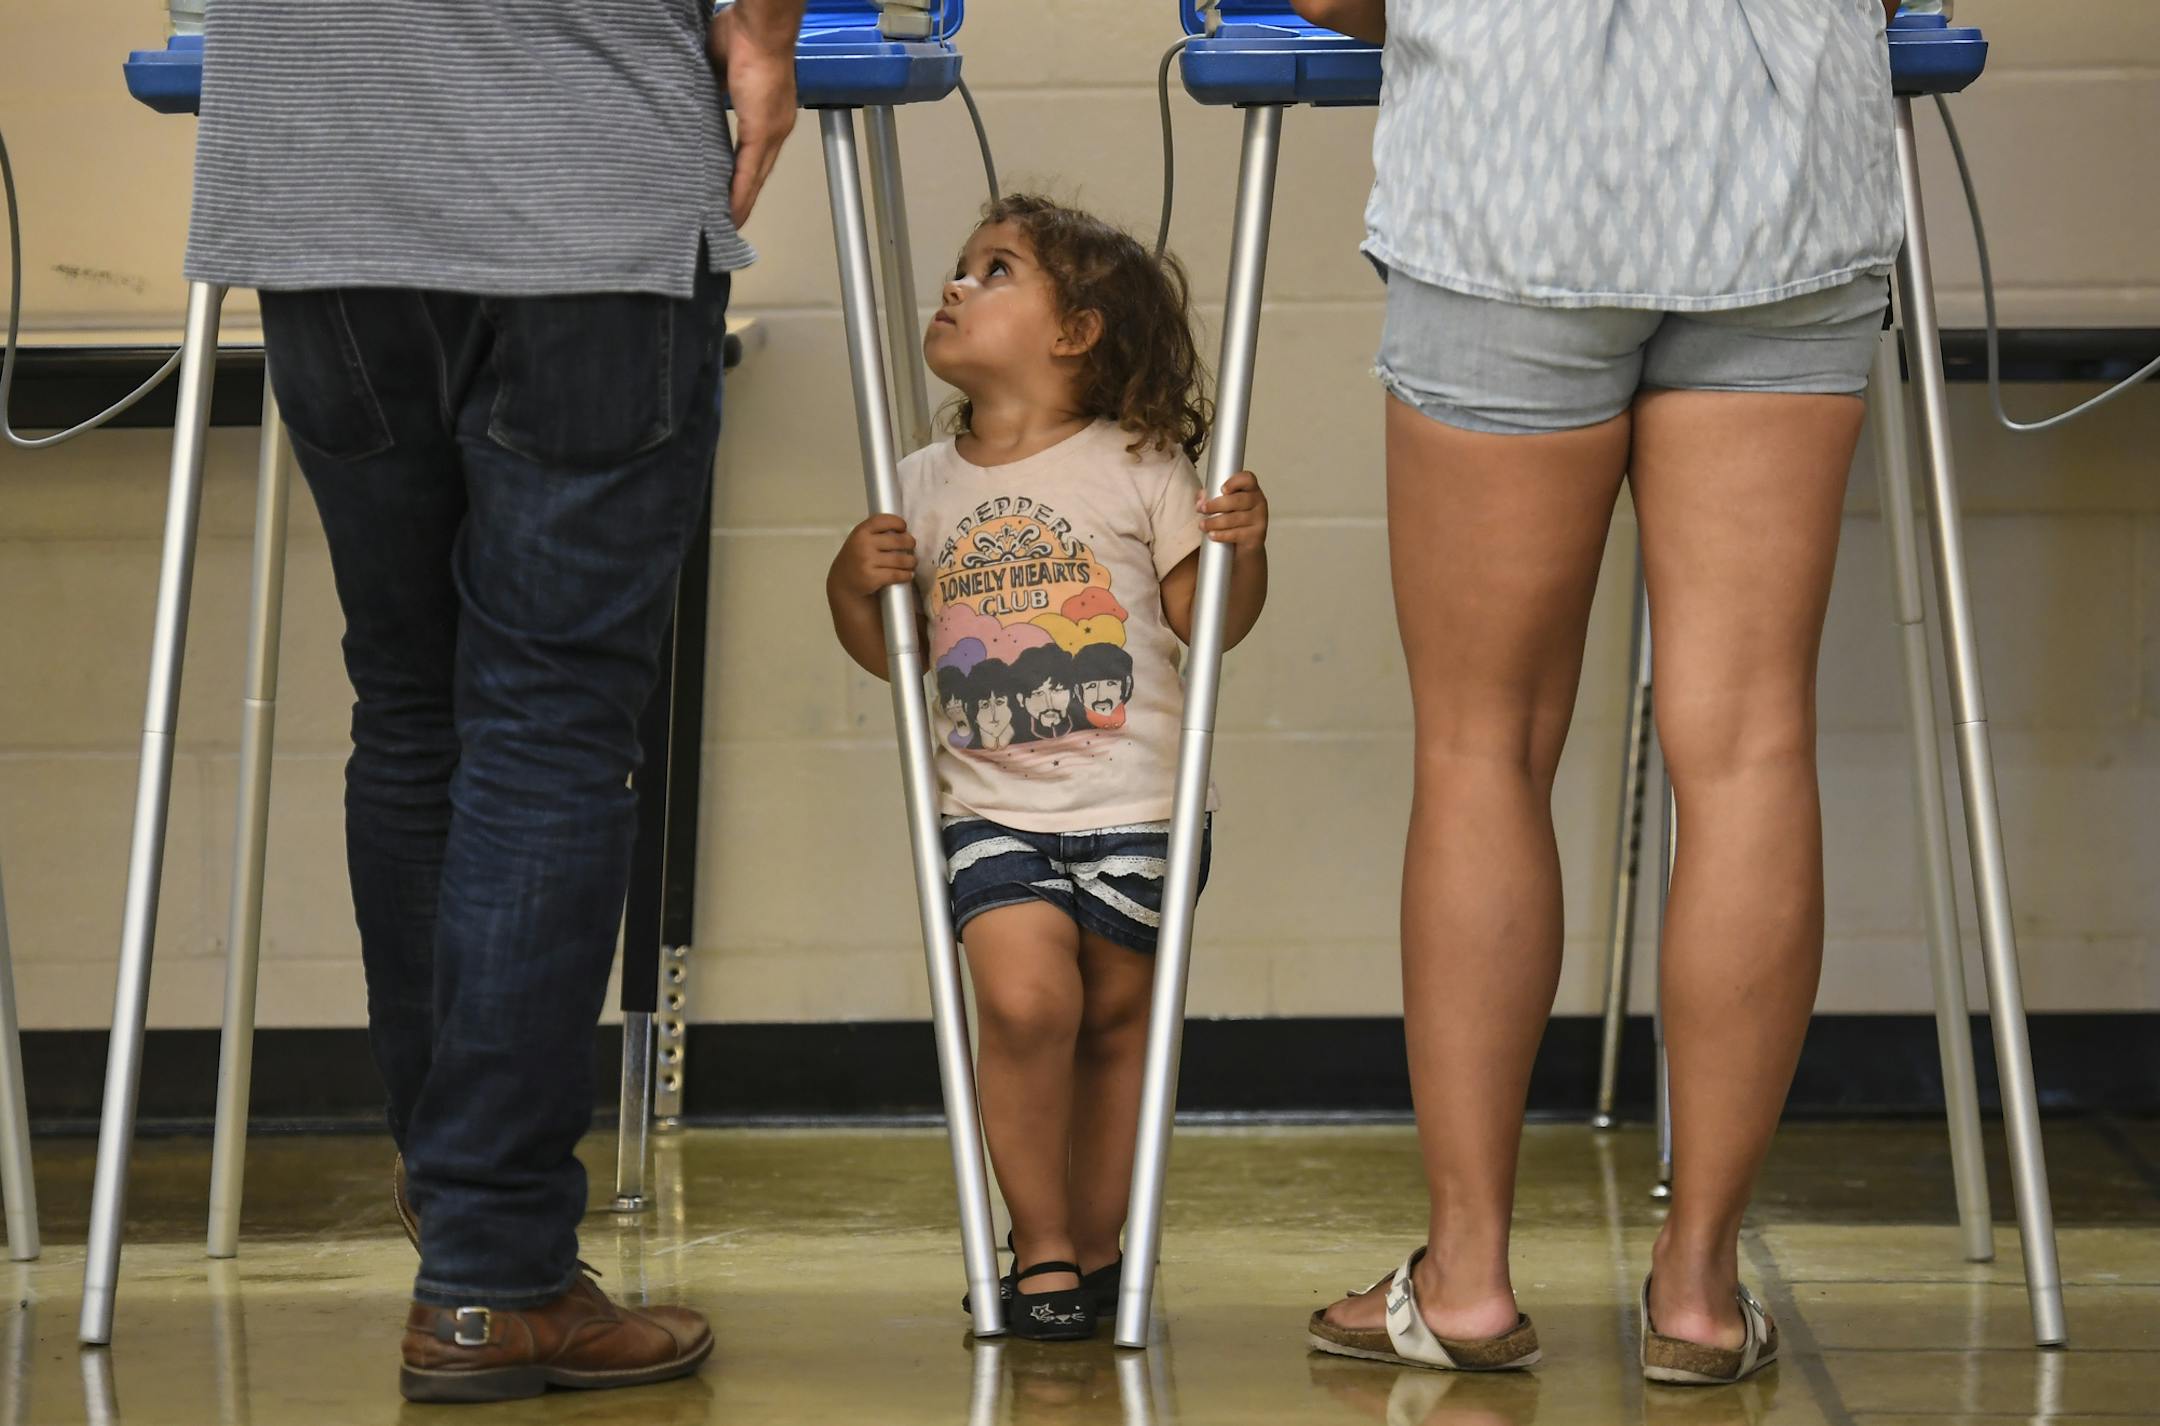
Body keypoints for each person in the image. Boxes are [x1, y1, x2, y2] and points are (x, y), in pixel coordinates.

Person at [184, 0, 806, 1402]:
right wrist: (764, 35)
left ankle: (460, 1206)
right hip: (579, 166)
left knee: (412, 706)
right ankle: (490, 1269)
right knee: (550, 725)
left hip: (322, 170)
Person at [1291, 0, 1906, 1385]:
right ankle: (1697, 1291)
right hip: (1784, 177)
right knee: (1748, 746)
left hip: (1515, 173)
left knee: (1482, 743)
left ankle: (1463, 1275)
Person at [825, 195, 1270, 1340]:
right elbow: (894, 657)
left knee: (1119, 1029)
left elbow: (1204, 626)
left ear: (1075, 333)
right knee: (1025, 1006)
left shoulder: (1140, 463)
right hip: (990, 810)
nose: (958, 284)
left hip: (1138, 809)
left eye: (997, 269)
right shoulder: (921, 483)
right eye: (961, 267)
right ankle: (1042, 1247)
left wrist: (1240, 555)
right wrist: (849, 585)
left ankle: (1103, 1242)